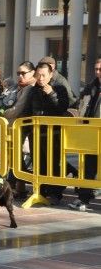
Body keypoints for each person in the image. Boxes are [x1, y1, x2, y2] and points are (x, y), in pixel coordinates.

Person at [29, 62, 69, 205]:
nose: (40, 78)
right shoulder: (33, 90)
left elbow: (62, 107)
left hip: (53, 134)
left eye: (43, 75)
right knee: (39, 164)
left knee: (53, 164)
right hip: (36, 132)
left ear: (51, 75)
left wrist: (51, 94)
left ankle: (55, 193)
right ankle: (41, 191)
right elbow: (29, 109)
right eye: (38, 75)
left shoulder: (59, 88)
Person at [68, 58, 101, 211]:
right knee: (88, 167)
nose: (98, 72)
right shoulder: (91, 87)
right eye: (96, 69)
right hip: (91, 133)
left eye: (100, 69)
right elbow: (81, 105)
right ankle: (83, 198)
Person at [1, 61, 36, 198]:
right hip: (15, 127)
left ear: (32, 73)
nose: (20, 76)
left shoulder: (30, 88)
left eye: (23, 73)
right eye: (18, 73)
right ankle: (19, 188)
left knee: (18, 157)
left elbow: (17, 109)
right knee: (15, 157)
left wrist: (0, 113)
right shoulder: (20, 86)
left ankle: (18, 185)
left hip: (24, 127)